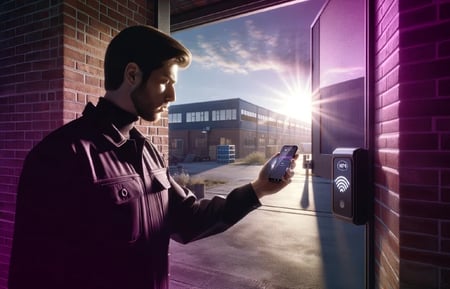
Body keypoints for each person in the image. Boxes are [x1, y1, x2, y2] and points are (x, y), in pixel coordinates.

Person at [8, 25, 296, 289]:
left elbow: (189, 220)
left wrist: (259, 189)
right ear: (132, 74)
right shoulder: (61, 155)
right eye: (164, 81)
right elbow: (32, 274)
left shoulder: (148, 153)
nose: (172, 95)